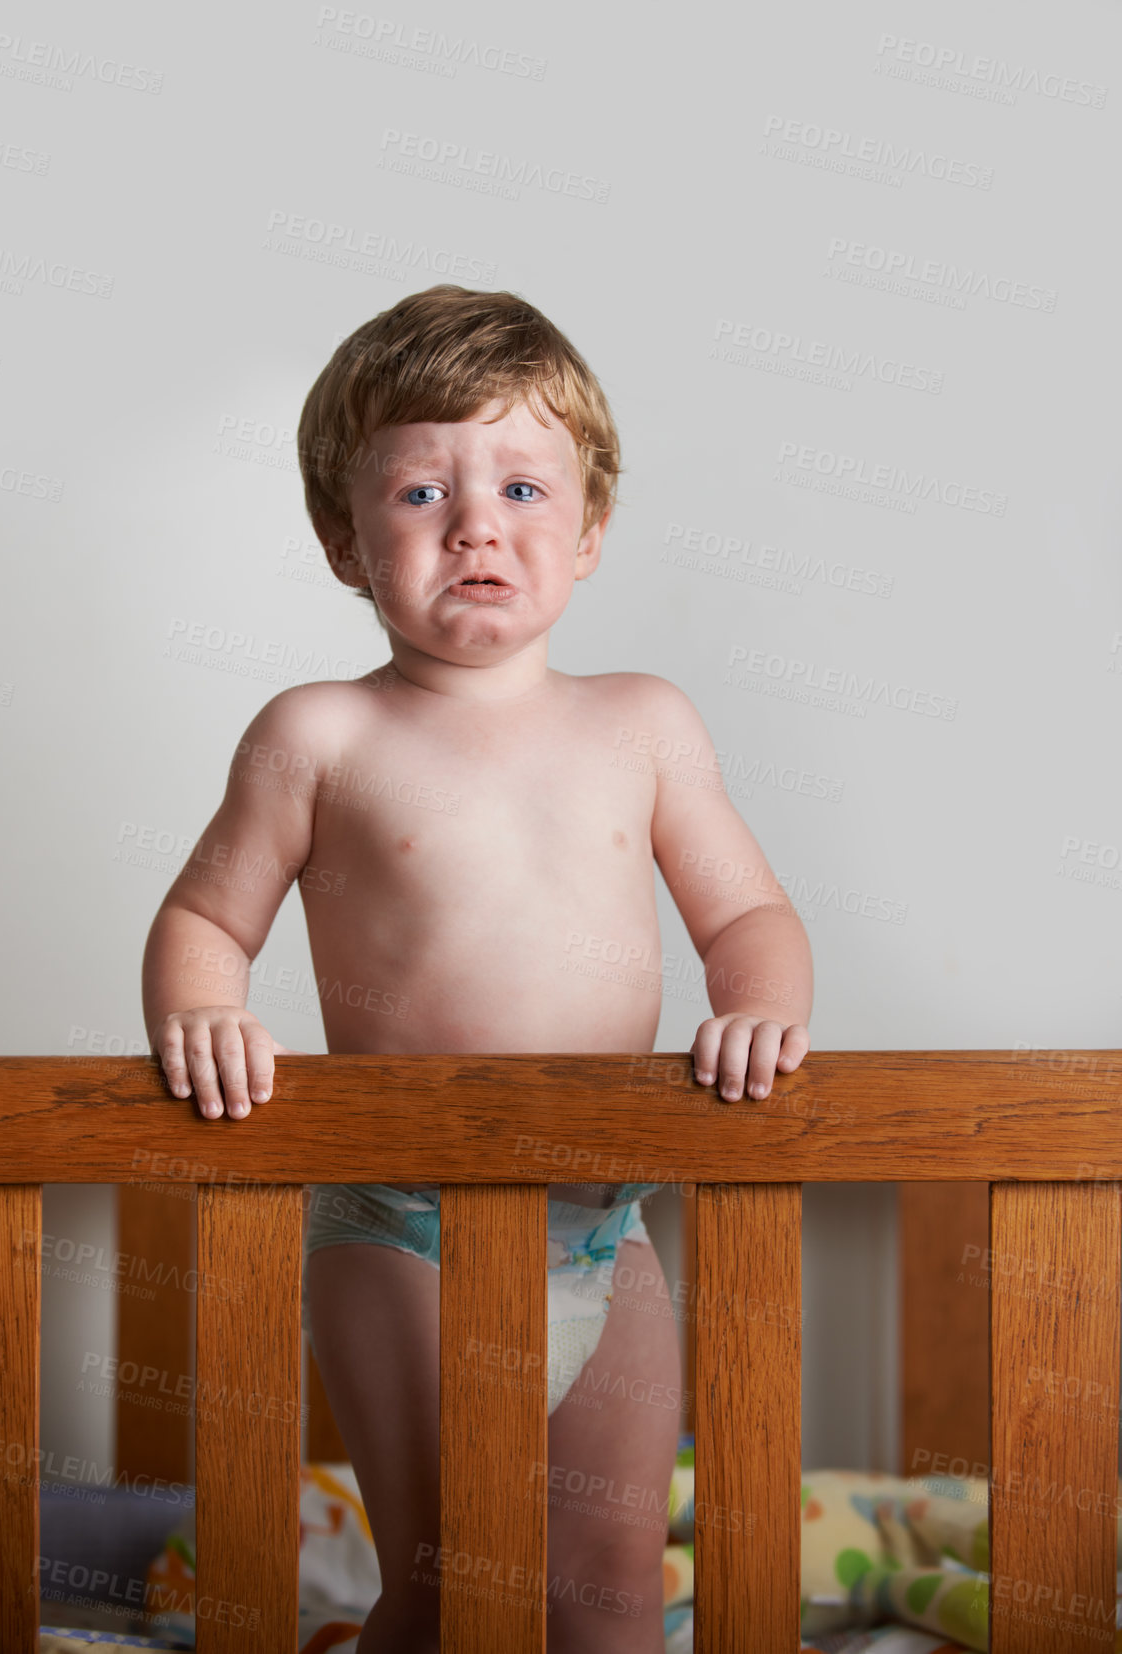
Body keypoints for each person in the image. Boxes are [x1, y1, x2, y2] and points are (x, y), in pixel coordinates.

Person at [142, 283, 813, 1653]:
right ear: (344, 540)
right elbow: (207, 917)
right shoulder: (319, 733)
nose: (477, 524)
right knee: (460, 1573)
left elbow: (750, 915)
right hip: (401, 1218)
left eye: (520, 483)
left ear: (592, 529)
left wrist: (760, 1006)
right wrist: (204, 1012)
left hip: (602, 1219)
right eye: (419, 494)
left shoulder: (644, 725)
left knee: (615, 1578)